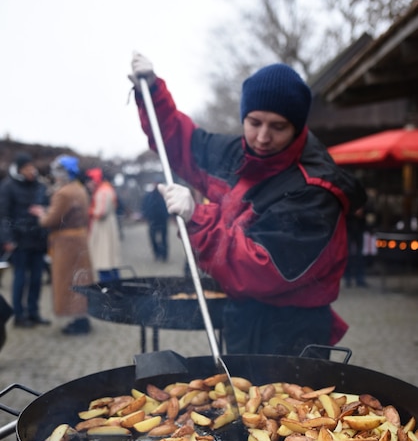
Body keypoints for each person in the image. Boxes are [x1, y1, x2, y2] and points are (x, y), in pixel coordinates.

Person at [128, 53, 368, 356]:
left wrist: (197, 218)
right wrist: (151, 93)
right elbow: (180, 142)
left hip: (293, 331)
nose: (263, 137)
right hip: (243, 318)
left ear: (297, 127)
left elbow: (259, 270)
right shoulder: (236, 153)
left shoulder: (315, 191)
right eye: (254, 122)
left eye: (278, 127)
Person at [29, 155, 94, 335]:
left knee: (68, 281)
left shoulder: (64, 192)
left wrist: (41, 214)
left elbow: (50, 220)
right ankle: (82, 318)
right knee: (80, 278)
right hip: (78, 238)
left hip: (66, 243)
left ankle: (77, 319)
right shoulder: (78, 188)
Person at [0, 152, 51, 327]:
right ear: (20, 170)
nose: (31, 171)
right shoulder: (7, 187)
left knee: (37, 279)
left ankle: (34, 312)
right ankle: (19, 316)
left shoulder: (40, 186)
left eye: (32, 167)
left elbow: (48, 208)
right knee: (20, 279)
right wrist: (7, 239)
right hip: (18, 241)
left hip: (37, 240)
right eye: (27, 168)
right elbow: (3, 215)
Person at [85, 168, 121, 282]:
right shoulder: (105, 189)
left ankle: (109, 290)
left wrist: (88, 211)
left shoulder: (103, 191)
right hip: (106, 227)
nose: (88, 185)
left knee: (104, 259)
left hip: (103, 229)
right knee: (109, 259)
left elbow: (100, 212)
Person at [141, 180, 170, 261]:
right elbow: (145, 206)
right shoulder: (149, 196)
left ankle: (164, 254)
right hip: (153, 219)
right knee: (153, 238)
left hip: (162, 219)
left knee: (164, 238)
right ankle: (157, 253)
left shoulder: (164, 196)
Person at [344, 206, 368, 288]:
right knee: (348, 255)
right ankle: (348, 278)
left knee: (360, 256)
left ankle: (359, 279)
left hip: (359, 229)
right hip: (349, 229)